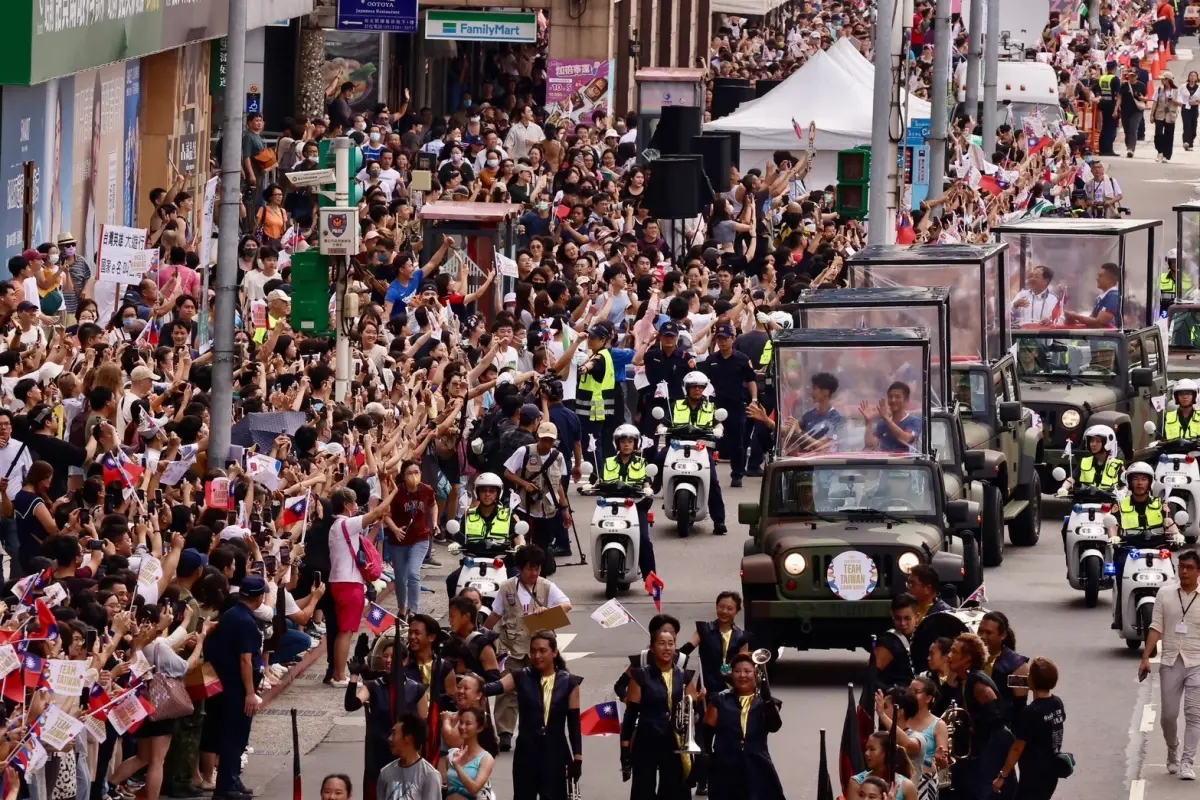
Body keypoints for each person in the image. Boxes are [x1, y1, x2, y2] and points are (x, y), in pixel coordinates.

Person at [485, 544, 573, 752]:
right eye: (530, 568)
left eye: (537, 568)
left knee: (543, 689)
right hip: (512, 647)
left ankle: (543, 727)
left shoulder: (546, 587)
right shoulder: (507, 587)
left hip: (539, 650)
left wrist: (549, 610)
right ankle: (505, 733)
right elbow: (496, 614)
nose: (534, 573)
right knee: (507, 691)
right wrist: (481, 634)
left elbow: (567, 605)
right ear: (520, 568)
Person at [483, 630, 584, 799]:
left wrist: (577, 759)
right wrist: (472, 686)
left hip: (555, 754)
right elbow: (495, 688)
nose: (537, 655)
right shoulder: (521, 676)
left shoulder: (569, 682)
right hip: (526, 754)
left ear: (554, 652)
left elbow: (574, 723)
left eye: (542, 651)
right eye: (533, 651)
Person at [202, 575, 269, 800]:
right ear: (259, 597)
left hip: (224, 685)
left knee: (233, 735)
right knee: (234, 736)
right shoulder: (245, 622)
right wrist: (250, 693)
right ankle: (226, 785)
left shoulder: (231, 615)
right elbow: (245, 660)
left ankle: (231, 778)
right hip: (235, 689)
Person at [328, 480, 399, 686]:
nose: (356, 507)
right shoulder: (345, 523)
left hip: (342, 581)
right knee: (346, 631)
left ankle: (338, 673)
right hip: (349, 583)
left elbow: (368, 536)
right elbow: (378, 512)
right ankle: (340, 676)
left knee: (345, 630)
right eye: (353, 503)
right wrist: (394, 492)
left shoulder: (339, 526)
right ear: (346, 505)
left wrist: (377, 524)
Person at [620, 624, 699, 800]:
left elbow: (694, 713)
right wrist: (625, 750)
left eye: (671, 643)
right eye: (662, 643)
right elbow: (630, 716)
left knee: (674, 790)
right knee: (644, 790)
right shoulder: (640, 676)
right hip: (646, 740)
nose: (667, 648)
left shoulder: (685, 676)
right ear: (652, 648)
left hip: (675, 742)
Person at [345, 637, 430, 800]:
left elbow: (424, 726)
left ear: (405, 661)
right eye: (385, 656)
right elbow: (351, 705)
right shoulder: (373, 686)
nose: (389, 660)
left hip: (406, 754)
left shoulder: (417, 689)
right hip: (379, 753)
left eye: (394, 657)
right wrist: (354, 677)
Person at [1141, 549, 1200, 780]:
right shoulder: (1165, 594)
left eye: (1189, 568)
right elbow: (1156, 627)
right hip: (1170, 660)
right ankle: (1172, 748)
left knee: (1194, 715)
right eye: (1181, 567)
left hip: (1197, 661)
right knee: (1168, 715)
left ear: (1198, 571)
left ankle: (1187, 762)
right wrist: (1146, 657)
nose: (1184, 571)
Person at [1106, 462, 1185, 631]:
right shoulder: (1120, 504)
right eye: (1135, 479)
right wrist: (1113, 537)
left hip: (1157, 549)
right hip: (1129, 550)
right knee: (1119, 573)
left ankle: (1175, 616)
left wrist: (1176, 533)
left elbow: (1168, 522)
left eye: (1144, 479)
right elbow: (1113, 524)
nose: (1140, 483)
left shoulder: (1160, 504)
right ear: (1129, 482)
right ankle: (1121, 613)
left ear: (1150, 482)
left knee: (1172, 578)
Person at [702, 652, 784, 800]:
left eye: (747, 671)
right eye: (737, 671)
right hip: (725, 769)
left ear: (756, 674)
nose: (742, 675)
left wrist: (766, 697)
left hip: (758, 767)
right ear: (731, 675)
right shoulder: (719, 700)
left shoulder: (768, 703)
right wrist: (707, 760)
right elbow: (706, 734)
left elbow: (774, 726)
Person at [660, 371, 727, 534]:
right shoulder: (676, 405)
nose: (697, 390)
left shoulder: (711, 406)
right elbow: (664, 423)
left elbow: (719, 424)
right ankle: (651, 491)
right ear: (687, 388)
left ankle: (719, 521)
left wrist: (719, 429)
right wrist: (661, 428)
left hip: (702, 448)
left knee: (712, 481)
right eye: (694, 387)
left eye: (700, 387)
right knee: (657, 459)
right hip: (677, 446)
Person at [994, 657, 1067, 800]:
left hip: (1033, 775)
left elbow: (1017, 748)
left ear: (1032, 680)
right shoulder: (1057, 703)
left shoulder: (1032, 712)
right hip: (1052, 770)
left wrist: (1002, 775)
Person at [946, 633, 1007, 800]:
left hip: (985, 757)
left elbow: (996, 718)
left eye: (954, 652)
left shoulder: (978, 684)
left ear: (967, 658)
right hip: (969, 755)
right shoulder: (960, 679)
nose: (949, 656)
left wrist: (972, 725)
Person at [504, 422, 571, 571]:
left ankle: (539, 577)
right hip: (524, 507)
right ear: (537, 437)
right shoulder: (524, 452)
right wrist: (524, 483)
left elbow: (559, 485)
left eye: (550, 440)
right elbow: (507, 472)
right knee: (522, 545)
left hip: (547, 511)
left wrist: (565, 510)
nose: (547, 443)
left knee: (543, 547)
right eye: (544, 439)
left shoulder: (558, 457)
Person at [445, 472, 524, 599]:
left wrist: (520, 546)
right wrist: (455, 544)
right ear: (477, 492)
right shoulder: (469, 515)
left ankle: (517, 616)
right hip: (473, 563)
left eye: (492, 491)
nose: (487, 494)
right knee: (452, 580)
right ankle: (455, 616)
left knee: (520, 583)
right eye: (484, 490)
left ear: (498, 493)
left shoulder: (508, 515)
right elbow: (460, 536)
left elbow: (518, 536)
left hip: (502, 562)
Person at [700, 324, 756, 488]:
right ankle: (708, 472)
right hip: (715, 406)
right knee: (710, 440)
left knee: (737, 441)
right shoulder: (711, 360)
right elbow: (704, 383)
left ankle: (737, 474)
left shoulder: (742, 359)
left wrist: (753, 399)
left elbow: (751, 380)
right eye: (719, 339)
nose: (722, 342)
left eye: (725, 339)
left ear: (732, 339)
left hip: (736, 404)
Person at [600, 424, 658, 574]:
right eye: (623, 441)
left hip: (636, 505)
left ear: (636, 444)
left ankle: (651, 578)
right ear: (617, 443)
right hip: (610, 505)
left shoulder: (642, 462)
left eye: (630, 442)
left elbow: (646, 480)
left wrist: (647, 488)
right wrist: (591, 485)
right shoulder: (608, 462)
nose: (626, 445)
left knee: (644, 539)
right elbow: (599, 481)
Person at [401, 614, 458, 764]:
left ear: (431, 637)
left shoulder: (443, 667)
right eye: (410, 633)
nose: (412, 637)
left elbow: (452, 702)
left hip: (436, 733)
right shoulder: (403, 669)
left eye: (417, 633)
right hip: (411, 733)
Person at [387, 460, 437, 618]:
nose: (414, 476)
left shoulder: (426, 490)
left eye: (416, 472)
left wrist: (434, 522)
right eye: (409, 473)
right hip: (399, 540)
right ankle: (402, 608)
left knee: (413, 573)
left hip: (420, 538)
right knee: (400, 578)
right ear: (403, 476)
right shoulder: (396, 492)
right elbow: (385, 514)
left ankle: (413, 610)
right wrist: (394, 529)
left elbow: (433, 505)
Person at [979, 611, 1030, 723]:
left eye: (988, 632)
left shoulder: (1017, 667)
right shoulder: (971, 658)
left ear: (1003, 635)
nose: (982, 636)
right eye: (980, 631)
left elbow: (1020, 706)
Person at [377, 713, 443, 800]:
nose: (389, 739)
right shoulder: (385, 772)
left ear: (409, 738)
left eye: (394, 734)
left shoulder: (430, 775)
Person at [441, 708, 496, 800]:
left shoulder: (486, 758)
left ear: (479, 728)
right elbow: (445, 786)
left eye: (468, 724)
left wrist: (458, 767)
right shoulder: (451, 755)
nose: (462, 727)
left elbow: (474, 789)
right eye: (461, 722)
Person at [848, 730, 918, 800]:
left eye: (872, 749)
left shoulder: (906, 786)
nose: (866, 753)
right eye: (866, 749)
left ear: (887, 753)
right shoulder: (857, 781)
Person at [446, 595, 502, 681]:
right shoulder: (448, 639)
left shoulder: (483, 644)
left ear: (467, 617)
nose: (449, 620)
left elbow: (494, 680)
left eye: (452, 616)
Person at [873, 594, 919, 693]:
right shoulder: (887, 642)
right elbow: (870, 675)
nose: (902, 623)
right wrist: (891, 691)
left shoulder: (923, 636)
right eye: (898, 618)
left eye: (907, 618)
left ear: (917, 617)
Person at [861, 381, 921, 453]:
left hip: (905, 463)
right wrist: (869, 422)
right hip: (885, 463)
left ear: (906, 400)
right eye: (890, 397)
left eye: (897, 397)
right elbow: (870, 445)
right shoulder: (882, 423)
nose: (893, 400)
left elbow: (905, 439)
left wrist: (888, 420)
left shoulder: (914, 421)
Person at [1065, 262, 1120, 328]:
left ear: (1110, 279)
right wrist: (1074, 320)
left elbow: (1100, 322)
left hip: (1110, 338)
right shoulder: (1102, 297)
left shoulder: (1113, 296)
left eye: (1100, 276)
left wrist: (1076, 316)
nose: (1097, 279)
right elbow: (1091, 320)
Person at [1153, 71, 1183, 163]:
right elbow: (1154, 103)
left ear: (1168, 80)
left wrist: (1172, 100)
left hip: (1170, 115)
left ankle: (1166, 155)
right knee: (1158, 134)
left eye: (1164, 79)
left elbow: (1181, 103)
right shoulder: (1159, 90)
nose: (1162, 81)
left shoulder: (1176, 91)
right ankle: (1160, 151)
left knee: (1169, 136)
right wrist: (1151, 115)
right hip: (1159, 114)